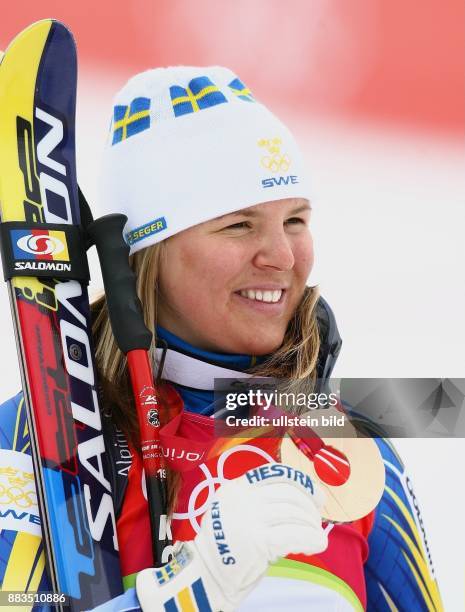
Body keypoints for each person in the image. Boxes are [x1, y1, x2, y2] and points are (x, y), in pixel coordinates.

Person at [0, 66, 442, 611]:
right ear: (146, 256)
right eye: (239, 225)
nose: (281, 257)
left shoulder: (348, 448)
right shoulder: (36, 437)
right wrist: (190, 593)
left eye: (296, 221)